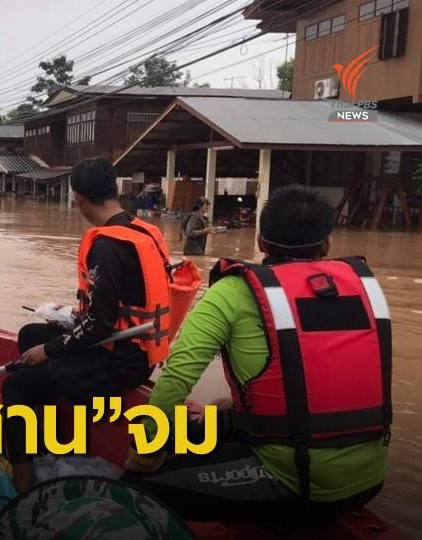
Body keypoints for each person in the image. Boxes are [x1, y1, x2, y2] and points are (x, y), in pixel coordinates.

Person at [123, 186, 390, 529]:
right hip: (370, 477)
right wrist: (227, 410)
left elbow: (176, 378)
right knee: (206, 421)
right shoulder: (362, 289)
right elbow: (323, 379)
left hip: (296, 482)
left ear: (262, 242)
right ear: (327, 245)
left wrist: (144, 453)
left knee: (135, 490)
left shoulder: (233, 291)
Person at [2, 158, 173, 493]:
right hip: (137, 349)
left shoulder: (108, 246)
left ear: (78, 198)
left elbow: (98, 326)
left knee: (16, 387)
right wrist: (61, 322)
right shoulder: (143, 231)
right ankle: (51, 435)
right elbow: (114, 310)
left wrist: (48, 351)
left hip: (119, 362)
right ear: (114, 190)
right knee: (30, 333)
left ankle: (22, 489)